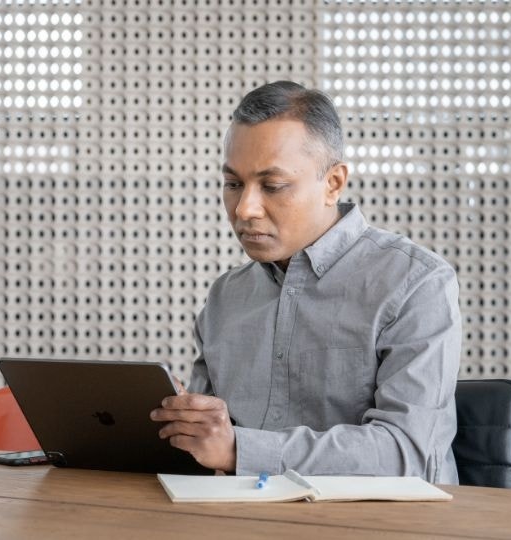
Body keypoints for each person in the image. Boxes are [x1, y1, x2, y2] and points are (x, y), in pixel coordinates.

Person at [150, 81, 461, 483]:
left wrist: (239, 449)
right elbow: (208, 449)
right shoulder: (227, 295)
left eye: (272, 186)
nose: (245, 208)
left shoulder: (416, 283)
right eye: (233, 184)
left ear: (333, 183)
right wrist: (186, 423)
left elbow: (408, 454)